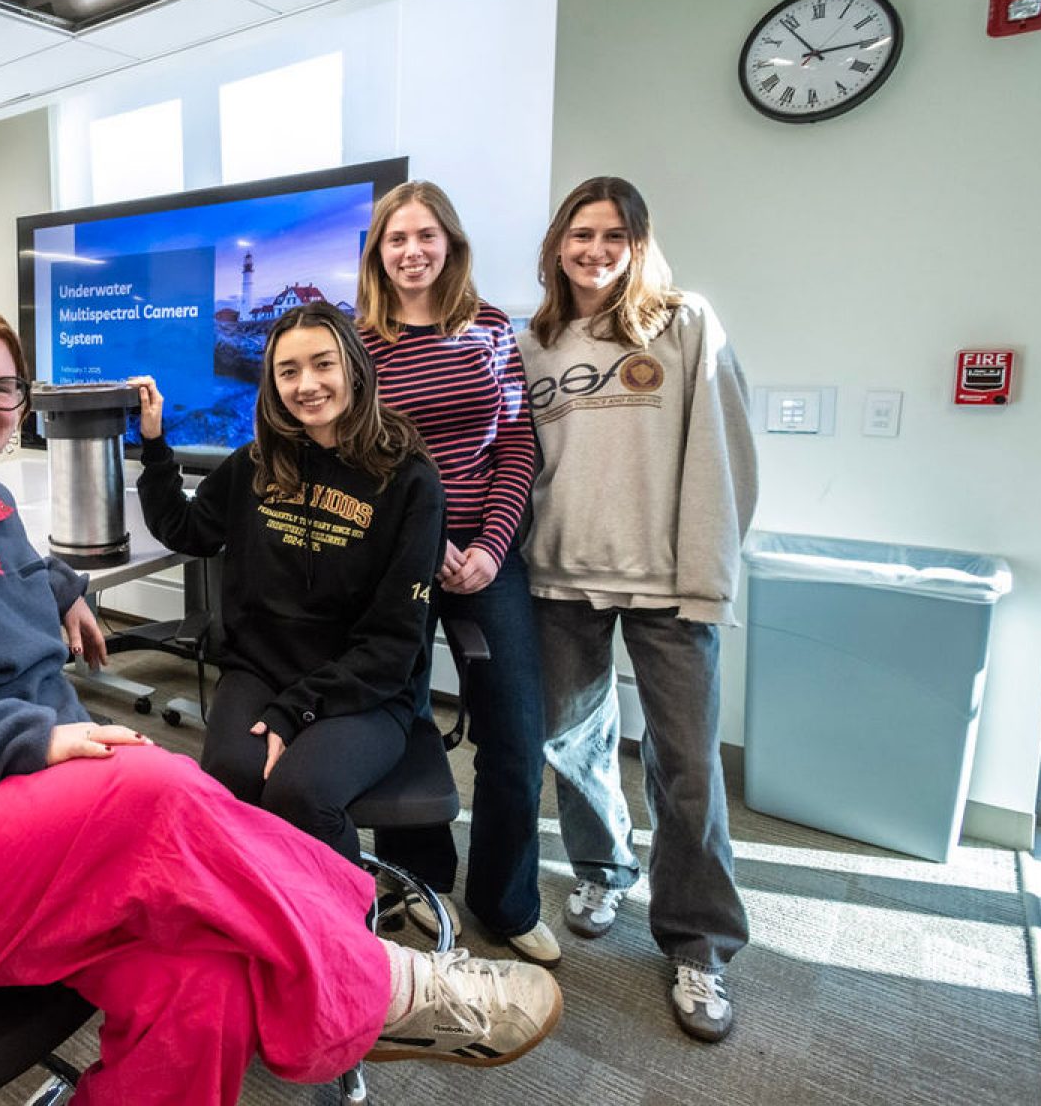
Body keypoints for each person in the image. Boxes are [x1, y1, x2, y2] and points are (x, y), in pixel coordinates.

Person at [0, 300, 561, 1106]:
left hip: (16, 834)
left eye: (4, 390)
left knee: (206, 983)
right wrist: (32, 742)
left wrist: (63, 589)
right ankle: (377, 984)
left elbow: (5, 565)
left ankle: (350, 966)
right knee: (159, 785)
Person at [517, 176, 757, 1042]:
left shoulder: (685, 321)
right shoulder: (532, 339)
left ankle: (699, 943)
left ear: (638, 242)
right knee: (570, 739)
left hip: (668, 583)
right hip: (560, 576)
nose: (594, 250)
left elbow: (726, 456)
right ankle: (603, 865)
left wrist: (707, 574)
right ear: (556, 244)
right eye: (580, 234)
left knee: (687, 762)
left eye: (613, 235)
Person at [129, 301, 443, 867]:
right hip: (262, 668)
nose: (307, 385)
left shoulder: (408, 478)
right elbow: (186, 528)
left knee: (302, 793)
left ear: (353, 367)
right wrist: (154, 444)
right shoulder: (257, 462)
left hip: (365, 687)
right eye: (288, 371)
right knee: (230, 775)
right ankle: (264, 920)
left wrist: (295, 710)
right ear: (272, 383)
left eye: (323, 364)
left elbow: (395, 640)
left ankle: (348, 946)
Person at [353, 181, 557, 968]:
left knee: (514, 731)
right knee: (399, 720)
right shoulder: (359, 341)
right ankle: (417, 878)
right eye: (396, 238)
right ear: (379, 251)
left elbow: (516, 449)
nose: (412, 251)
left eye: (426, 235)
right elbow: (354, 460)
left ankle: (506, 902)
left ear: (451, 244)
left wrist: (491, 546)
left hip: (486, 550)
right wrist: (422, 539)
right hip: (396, 552)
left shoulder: (492, 329)